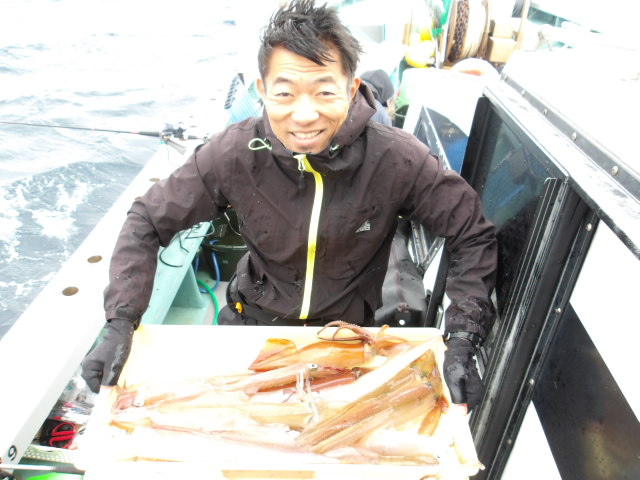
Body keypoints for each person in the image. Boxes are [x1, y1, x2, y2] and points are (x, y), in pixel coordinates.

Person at [81, 0, 497, 413]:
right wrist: (121, 320)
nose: (304, 114)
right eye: (285, 93)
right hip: (251, 327)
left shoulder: (397, 158)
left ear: (351, 88)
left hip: (346, 338)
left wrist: (463, 338)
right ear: (262, 91)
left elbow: (470, 231)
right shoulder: (233, 152)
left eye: (324, 91)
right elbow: (146, 220)